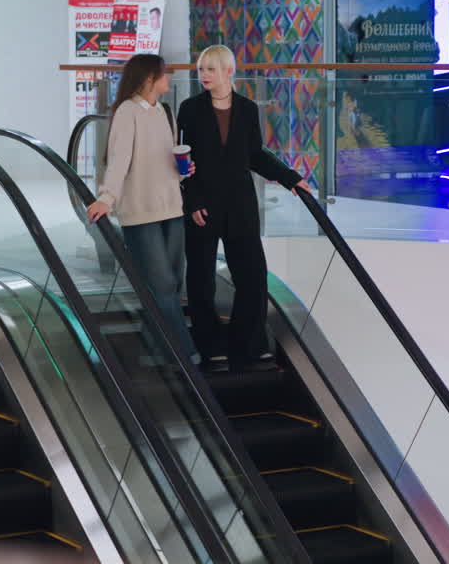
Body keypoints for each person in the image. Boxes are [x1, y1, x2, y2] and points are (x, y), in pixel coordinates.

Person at [179, 45, 309, 369]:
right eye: (201, 69)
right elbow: (182, 160)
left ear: (228, 72)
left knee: (252, 278)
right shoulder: (189, 109)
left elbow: (255, 155)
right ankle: (209, 345)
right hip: (202, 208)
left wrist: (290, 178)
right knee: (201, 281)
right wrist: (191, 201)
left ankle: (246, 344)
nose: (204, 75)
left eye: (211, 69)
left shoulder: (248, 109)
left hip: (240, 207)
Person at [86, 53, 200, 364]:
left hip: (171, 209)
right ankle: (183, 352)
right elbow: (119, 159)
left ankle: (154, 347)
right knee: (161, 284)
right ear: (149, 78)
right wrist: (106, 198)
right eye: (164, 74)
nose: (169, 78)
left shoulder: (164, 111)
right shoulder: (127, 112)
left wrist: (183, 169)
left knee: (173, 282)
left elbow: (166, 159)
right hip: (140, 212)